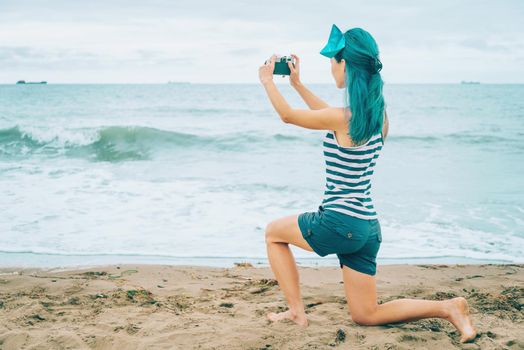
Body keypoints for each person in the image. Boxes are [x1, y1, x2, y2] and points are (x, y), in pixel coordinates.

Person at [257, 24, 477, 343]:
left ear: (344, 64)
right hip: (367, 228)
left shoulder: (345, 118)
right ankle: (449, 308)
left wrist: (267, 81)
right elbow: (329, 115)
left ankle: (295, 312)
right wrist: (297, 84)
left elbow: (289, 117)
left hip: (338, 222)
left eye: (333, 61)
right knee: (366, 314)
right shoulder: (377, 117)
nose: (331, 67)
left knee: (273, 233)